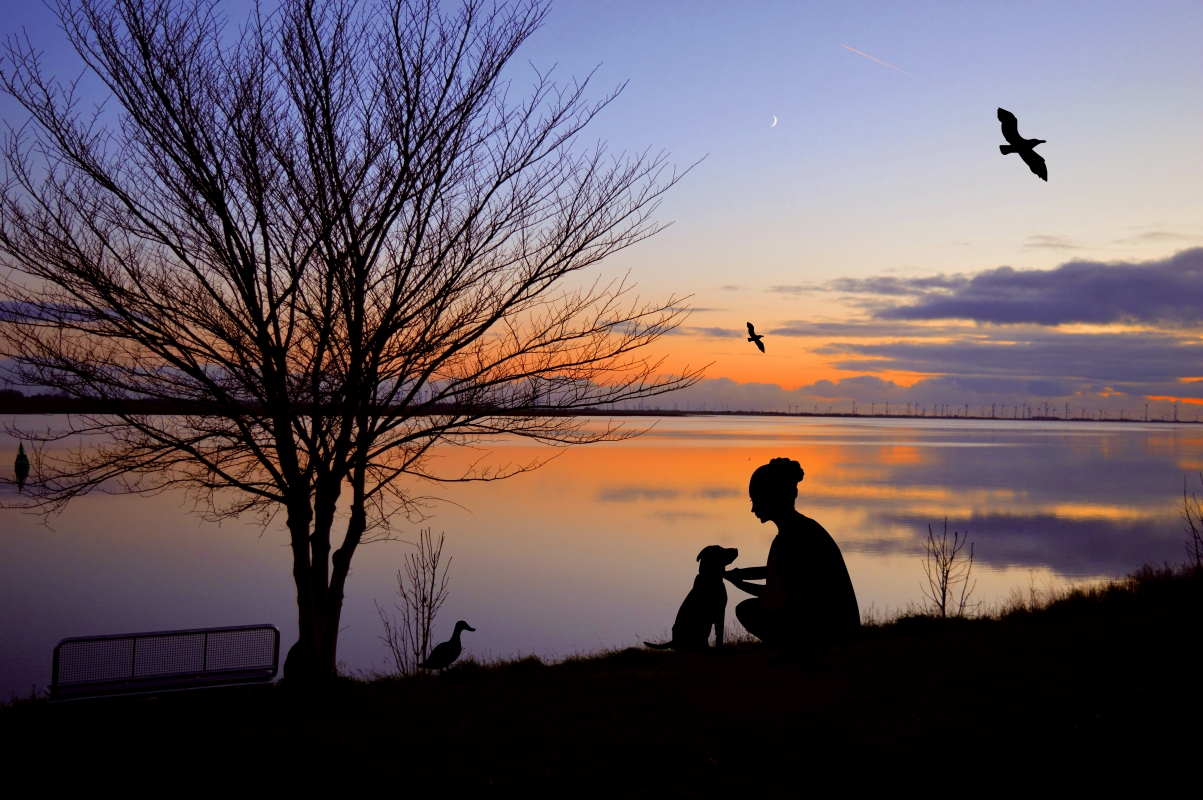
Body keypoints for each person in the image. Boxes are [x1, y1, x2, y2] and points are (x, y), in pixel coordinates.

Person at [724, 458, 859, 665]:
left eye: (755, 500)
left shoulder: (791, 537)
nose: (753, 509)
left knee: (747, 610)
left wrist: (739, 583)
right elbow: (781, 572)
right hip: (832, 615)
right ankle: (803, 652)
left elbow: (777, 593)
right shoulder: (802, 527)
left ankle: (799, 655)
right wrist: (740, 573)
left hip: (833, 622)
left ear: (772, 498)